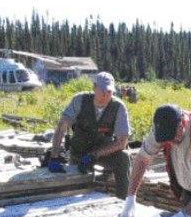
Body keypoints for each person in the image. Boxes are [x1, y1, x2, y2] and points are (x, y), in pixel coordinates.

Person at [47, 71, 131, 199]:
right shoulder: (79, 100)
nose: (105, 95)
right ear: (94, 88)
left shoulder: (119, 107)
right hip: (79, 152)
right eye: (102, 91)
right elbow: (62, 127)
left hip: (102, 152)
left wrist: (94, 155)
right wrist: (54, 156)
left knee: (123, 157)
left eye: (109, 92)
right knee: (73, 191)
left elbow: (122, 142)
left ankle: (123, 202)